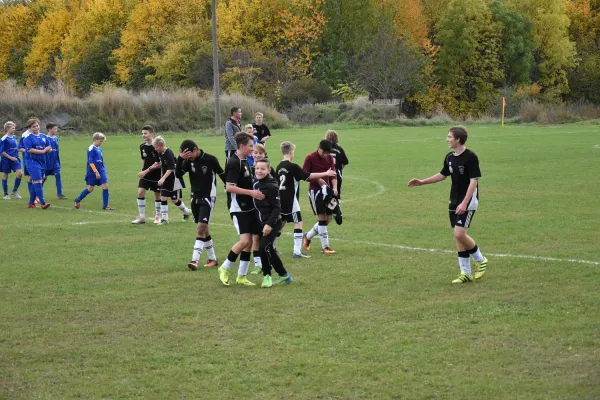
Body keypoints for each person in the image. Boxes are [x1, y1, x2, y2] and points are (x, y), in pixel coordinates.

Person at [408, 126, 488, 283]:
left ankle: (480, 260)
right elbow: (443, 175)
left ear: (458, 140)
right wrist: (422, 182)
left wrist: (465, 203)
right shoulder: (450, 157)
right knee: (458, 237)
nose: (447, 139)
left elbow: (474, 181)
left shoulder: (471, 157)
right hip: (454, 200)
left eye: (449, 137)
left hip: (467, 201)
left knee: (459, 234)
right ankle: (465, 273)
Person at [218, 132, 265, 287]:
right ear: (242, 146)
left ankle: (241, 276)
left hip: (249, 207)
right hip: (238, 208)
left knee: (251, 242)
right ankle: (225, 268)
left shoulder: (245, 160)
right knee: (245, 240)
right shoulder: (233, 162)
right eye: (251, 146)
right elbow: (230, 187)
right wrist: (251, 192)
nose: (253, 149)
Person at [276, 141, 336, 258]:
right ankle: (297, 252)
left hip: (281, 199)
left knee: (281, 223)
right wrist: (325, 173)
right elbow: (307, 176)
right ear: (291, 152)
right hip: (291, 199)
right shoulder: (293, 166)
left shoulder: (279, 166)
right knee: (298, 222)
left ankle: (271, 247)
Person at [176, 139, 226, 270]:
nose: (188, 158)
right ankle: (213, 259)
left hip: (209, 197)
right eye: (184, 155)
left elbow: (222, 174)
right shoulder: (188, 161)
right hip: (194, 197)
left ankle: (194, 260)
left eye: (189, 154)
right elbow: (177, 174)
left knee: (201, 227)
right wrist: (180, 159)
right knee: (204, 229)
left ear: (196, 149)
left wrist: (232, 188)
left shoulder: (210, 159)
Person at [252, 158, 292, 288]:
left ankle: (267, 276)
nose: (259, 171)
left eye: (262, 169)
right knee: (269, 249)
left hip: (273, 223)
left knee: (263, 247)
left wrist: (269, 224)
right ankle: (284, 275)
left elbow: (277, 208)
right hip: (261, 222)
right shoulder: (255, 183)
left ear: (269, 170)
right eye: (257, 168)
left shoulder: (272, 186)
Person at [302, 140, 338, 254]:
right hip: (315, 191)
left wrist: (335, 188)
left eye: (327, 153)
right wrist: (319, 179)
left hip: (326, 192)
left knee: (328, 220)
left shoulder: (329, 158)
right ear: (318, 147)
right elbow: (305, 176)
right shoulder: (310, 158)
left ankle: (307, 236)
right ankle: (325, 247)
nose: (325, 155)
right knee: (322, 219)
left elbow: (333, 175)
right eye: (323, 152)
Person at [152, 136, 191, 225]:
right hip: (165, 179)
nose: (155, 149)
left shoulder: (168, 153)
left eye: (156, 147)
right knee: (163, 197)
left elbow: (171, 167)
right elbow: (160, 163)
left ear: (161, 145)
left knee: (174, 200)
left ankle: (187, 212)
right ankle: (165, 219)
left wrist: (163, 178)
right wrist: (151, 168)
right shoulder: (160, 153)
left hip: (174, 180)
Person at [74, 132, 114, 210]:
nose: (101, 143)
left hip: (101, 169)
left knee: (105, 186)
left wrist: (102, 169)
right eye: (100, 141)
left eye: (102, 141)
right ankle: (77, 200)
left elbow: (100, 160)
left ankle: (106, 206)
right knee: (90, 188)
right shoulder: (91, 148)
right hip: (92, 171)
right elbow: (90, 161)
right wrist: (96, 171)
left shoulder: (100, 149)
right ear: (95, 139)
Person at [131, 126, 162, 224]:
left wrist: (145, 171)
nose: (143, 135)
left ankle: (157, 216)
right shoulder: (142, 146)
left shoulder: (157, 146)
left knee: (157, 195)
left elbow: (159, 163)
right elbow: (143, 160)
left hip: (157, 174)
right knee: (140, 193)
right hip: (145, 174)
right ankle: (142, 217)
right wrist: (143, 171)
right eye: (142, 133)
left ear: (151, 133)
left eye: (145, 133)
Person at [22, 118, 52, 209]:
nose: (36, 128)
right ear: (30, 128)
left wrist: (47, 149)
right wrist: (43, 151)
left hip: (42, 161)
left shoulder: (44, 136)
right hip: (32, 161)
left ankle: (31, 203)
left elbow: (49, 147)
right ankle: (43, 203)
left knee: (39, 180)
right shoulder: (28, 137)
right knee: (38, 180)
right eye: (33, 126)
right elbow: (29, 149)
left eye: (37, 126)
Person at [325, 130, 348, 224]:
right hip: (336, 173)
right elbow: (345, 161)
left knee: (326, 191)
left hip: (326, 173)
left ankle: (328, 210)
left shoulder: (324, 148)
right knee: (337, 191)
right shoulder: (339, 149)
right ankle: (338, 211)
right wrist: (339, 169)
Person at [43, 123, 67, 200]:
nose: (56, 130)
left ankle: (59, 194)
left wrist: (58, 161)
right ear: (49, 129)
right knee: (43, 178)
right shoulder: (44, 138)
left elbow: (57, 151)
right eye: (55, 129)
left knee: (58, 175)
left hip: (55, 161)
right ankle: (36, 192)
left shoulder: (56, 138)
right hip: (46, 162)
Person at [1, 121, 23, 200]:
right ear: (7, 129)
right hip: (6, 159)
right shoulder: (4, 139)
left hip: (15, 158)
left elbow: (15, 147)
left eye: (14, 128)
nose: (14, 129)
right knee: (5, 175)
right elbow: (2, 151)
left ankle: (14, 191)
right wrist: (10, 157)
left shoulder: (14, 137)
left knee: (20, 173)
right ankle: (6, 194)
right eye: (13, 128)